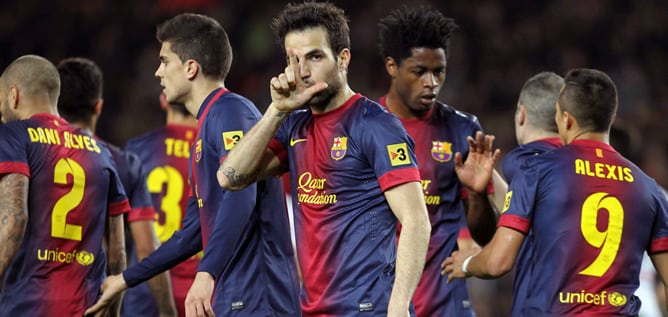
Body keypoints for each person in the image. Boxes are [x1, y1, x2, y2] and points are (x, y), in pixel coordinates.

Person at [217, 2, 431, 316]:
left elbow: (416, 221)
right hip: (313, 309)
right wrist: (276, 110)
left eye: (315, 56)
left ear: (343, 58)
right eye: (294, 59)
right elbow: (230, 177)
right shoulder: (293, 126)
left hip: (368, 308)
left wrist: (398, 307)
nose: (303, 71)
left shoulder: (374, 124)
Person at [84, 13, 300, 317]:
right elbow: (191, 233)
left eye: (164, 61)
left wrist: (205, 272)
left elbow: (241, 193)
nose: (158, 72)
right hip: (236, 294)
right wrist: (126, 279)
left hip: (259, 295)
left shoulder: (231, 113)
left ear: (190, 68)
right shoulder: (207, 126)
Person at [442, 68, 668, 316]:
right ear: (611, 118)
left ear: (566, 119)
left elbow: (498, 262)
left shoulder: (537, 170)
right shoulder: (648, 188)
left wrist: (466, 263)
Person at [376, 6, 502, 316]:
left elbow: (485, 235)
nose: (432, 82)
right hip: (380, 301)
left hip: (445, 303)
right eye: (419, 72)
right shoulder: (366, 127)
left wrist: (476, 193)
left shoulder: (463, 130)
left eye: (439, 71)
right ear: (392, 66)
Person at [0, 55, 129, 316]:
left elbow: (14, 220)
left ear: (13, 95)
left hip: (27, 305)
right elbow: (117, 252)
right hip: (85, 307)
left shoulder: (13, 136)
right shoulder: (100, 152)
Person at [56, 57, 177, 317]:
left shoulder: (29, 152)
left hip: (34, 297)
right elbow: (146, 249)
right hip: (94, 301)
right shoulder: (123, 163)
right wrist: (167, 312)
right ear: (98, 107)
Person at [124, 93, 199, 317]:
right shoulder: (219, 151)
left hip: (146, 288)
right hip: (202, 291)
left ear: (163, 100)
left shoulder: (138, 150)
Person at [499, 71, 564, 317]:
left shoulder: (525, 163)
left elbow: (499, 262)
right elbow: (525, 210)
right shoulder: (581, 169)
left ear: (522, 114)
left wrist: (467, 263)